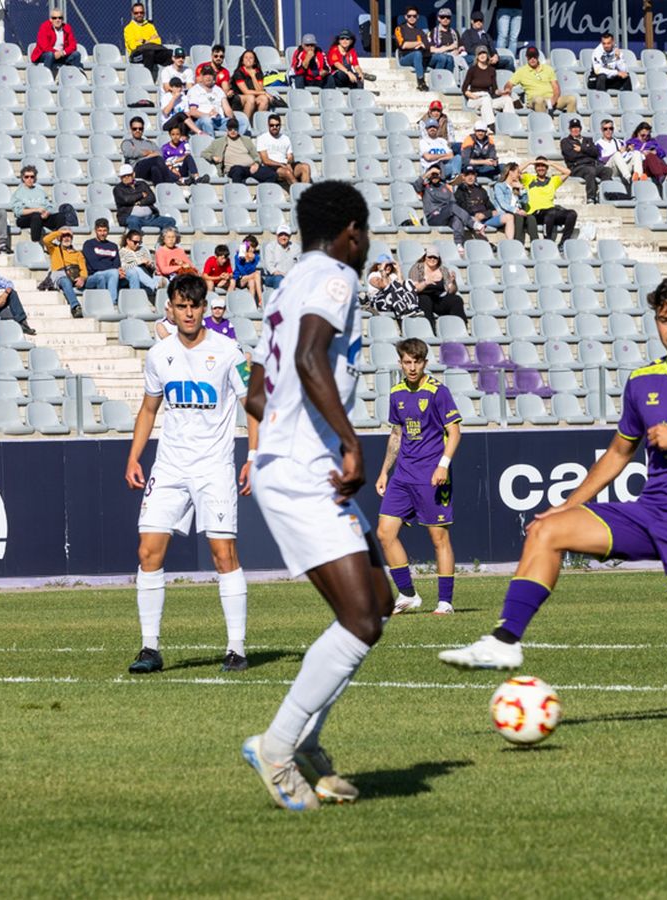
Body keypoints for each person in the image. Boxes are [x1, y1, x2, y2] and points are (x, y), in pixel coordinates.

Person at [439, 273, 667, 736]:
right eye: (665, 319)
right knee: (546, 532)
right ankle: (505, 639)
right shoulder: (642, 382)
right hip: (650, 509)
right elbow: (618, 453)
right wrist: (564, 507)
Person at [239, 180, 388, 811]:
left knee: (376, 601)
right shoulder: (335, 276)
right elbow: (307, 358)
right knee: (360, 617)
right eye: (367, 233)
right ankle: (276, 747)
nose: (367, 245)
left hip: (296, 457)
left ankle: (303, 741)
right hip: (305, 465)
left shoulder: (287, 281)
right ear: (350, 231)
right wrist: (350, 442)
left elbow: (254, 391)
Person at [124, 273, 259, 676]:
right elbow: (149, 409)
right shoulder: (158, 354)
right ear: (171, 307)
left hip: (214, 468)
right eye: (180, 306)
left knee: (223, 555)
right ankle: (150, 647)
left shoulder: (230, 351)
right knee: (148, 552)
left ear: (204, 308)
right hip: (169, 467)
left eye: (194, 306)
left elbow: (252, 403)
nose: (187, 313)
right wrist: (134, 458)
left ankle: (236, 647)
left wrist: (253, 455)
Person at [375, 338, 463, 614]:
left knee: (439, 539)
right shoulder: (396, 393)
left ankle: (445, 602)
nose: (412, 368)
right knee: (384, 532)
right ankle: (407, 594)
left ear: (425, 362)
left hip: (431, 475)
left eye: (417, 362)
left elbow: (455, 432)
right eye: (407, 362)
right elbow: (397, 434)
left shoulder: (438, 392)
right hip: (402, 475)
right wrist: (384, 472)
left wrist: (443, 465)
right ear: (400, 362)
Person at [12, 164, 78, 243]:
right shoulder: (18, 193)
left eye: (32, 177)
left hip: (42, 217)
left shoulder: (40, 191)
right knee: (36, 216)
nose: (29, 179)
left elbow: (49, 206)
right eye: (26, 177)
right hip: (25, 219)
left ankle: (61, 240)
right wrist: (35, 210)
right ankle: (36, 243)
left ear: (35, 178)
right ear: (23, 178)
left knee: (60, 216)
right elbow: (18, 211)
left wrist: (47, 212)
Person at [520, 157, 576, 245]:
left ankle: (563, 243)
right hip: (535, 214)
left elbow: (567, 172)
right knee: (551, 212)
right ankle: (548, 242)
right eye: (538, 166)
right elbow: (515, 172)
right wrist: (530, 162)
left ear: (547, 168)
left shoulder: (553, 181)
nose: (541, 168)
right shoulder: (529, 179)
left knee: (572, 214)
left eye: (543, 166)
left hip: (551, 214)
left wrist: (551, 163)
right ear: (535, 168)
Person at [420, 164, 479, 248]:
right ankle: (473, 224)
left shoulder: (445, 187)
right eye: (433, 174)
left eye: (437, 174)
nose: (435, 176)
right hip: (433, 217)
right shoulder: (425, 187)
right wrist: (428, 173)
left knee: (457, 218)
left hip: (446, 215)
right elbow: (416, 185)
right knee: (452, 207)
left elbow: (453, 202)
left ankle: (458, 243)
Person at [503, 46, 575, 115]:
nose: (532, 59)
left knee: (572, 99)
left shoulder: (548, 69)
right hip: (534, 100)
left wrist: (553, 100)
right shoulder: (521, 71)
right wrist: (508, 90)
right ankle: (544, 124)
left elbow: (556, 87)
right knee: (539, 100)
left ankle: (571, 125)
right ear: (527, 57)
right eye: (530, 57)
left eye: (534, 56)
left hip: (550, 99)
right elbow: (509, 84)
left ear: (538, 57)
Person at [407, 249, 467, 329]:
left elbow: (451, 291)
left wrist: (453, 282)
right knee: (425, 300)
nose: (432, 259)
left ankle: (460, 327)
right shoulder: (417, 268)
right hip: (421, 297)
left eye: (435, 257)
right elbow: (414, 289)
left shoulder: (443, 270)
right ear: (425, 257)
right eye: (430, 257)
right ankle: (430, 329)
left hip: (438, 299)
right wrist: (425, 282)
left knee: (456, 299)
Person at [204, 119, 275, 184]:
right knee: (237, 170)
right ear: (226, 130)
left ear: (238, 129)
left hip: (251, 168)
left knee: (272, 174)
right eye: (230, 129)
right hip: (234, 169)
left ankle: (259, 195)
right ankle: (238, 195)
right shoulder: (218, 142)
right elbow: (204, 153)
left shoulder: (246, 140)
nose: (233, 131)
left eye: (235, 129)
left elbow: (256, 155)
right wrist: (212, 157)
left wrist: (256, 163)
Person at [114, 164, 177, 233]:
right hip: (130, 217)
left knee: (170, 221)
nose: (126, 177)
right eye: (123, 176)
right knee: (133, 221)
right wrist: (141, 194)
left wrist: (140, 202)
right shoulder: (118, 189)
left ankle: (164, 241)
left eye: (128, 175)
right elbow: (126, 199)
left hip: (150, 217)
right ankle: (136, 242)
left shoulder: (142, 184)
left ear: (133, 174)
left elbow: (152, 198)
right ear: (120, 178)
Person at [42, 226, 88, 317]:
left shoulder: (78, 253)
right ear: (60, 238)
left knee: (97, 279)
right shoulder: (54, 249)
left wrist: (82, 278)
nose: (66, 238)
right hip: (60, 276)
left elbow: (83, 269)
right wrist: (60, 232)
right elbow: (46, 240)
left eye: (69, 236)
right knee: (65, 281)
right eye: (64, 236)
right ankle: (75, 306)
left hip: (74, 276)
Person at [463, 46, 515, 124]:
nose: (482, 55)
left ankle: (509, 124)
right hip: (475, 98)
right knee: (485, 100)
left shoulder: (492, 70)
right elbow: (464, 88)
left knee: (507, 99)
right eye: (480, 54)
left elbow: (495, 90)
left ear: (487, 55)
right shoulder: (472, 70)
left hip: (488, 97)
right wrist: (472, 96)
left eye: (484, 53)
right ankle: (490, 125)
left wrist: (503, 92)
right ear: (477, 56)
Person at [559, 118, 605, 204]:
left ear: (580, 128)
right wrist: (588, 152)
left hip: (592, 165)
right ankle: (591, 197)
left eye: (577, 127)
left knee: (607, 170)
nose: (575, 129)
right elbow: (571, 156)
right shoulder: (565, 142)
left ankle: (605, 193)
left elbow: (596, 152)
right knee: (590, 171)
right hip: (576, 167)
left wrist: (582, 149)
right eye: (573, 127)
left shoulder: (588, 140)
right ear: (570, 129)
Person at [258, 114, 311, 187]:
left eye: (277, 125)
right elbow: (265, 160)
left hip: (285, 164)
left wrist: (289, 163)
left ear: (280, 125)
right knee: (287, 172)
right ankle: (301, 194)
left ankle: (307, 192)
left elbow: (290, 156)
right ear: (268, 125)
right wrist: (281, 165)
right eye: (272, 125)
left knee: (305, 167)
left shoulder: (285, 138)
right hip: (271, 167)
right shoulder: (262, 138)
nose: (274, 127)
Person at [30, 8, 83, 75]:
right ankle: (46, 76)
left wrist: (62, 53)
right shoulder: (44, 27)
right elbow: (44, 46)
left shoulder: (67, 28)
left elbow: (73, 46)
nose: (57, 20)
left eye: (60, 18)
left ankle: (74, 76)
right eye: (54, 18)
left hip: (61, 55)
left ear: (62, 19)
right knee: (50, 55)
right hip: (45, 55)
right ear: (51, 19)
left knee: (76, 54)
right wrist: (55, 53)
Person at [493, 161, 536, 243]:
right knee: (519, 217)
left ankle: (536, 244)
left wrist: (522, 189)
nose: (519, 175)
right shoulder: (499, 186)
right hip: (505, 213)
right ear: (510, 172)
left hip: (517, 212)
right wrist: (517, 211)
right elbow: (503, 204)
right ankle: (518, 245)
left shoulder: (517, 186)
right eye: (518, 172)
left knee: (531, 218)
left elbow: (525, 201)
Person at [453, 169, 503, 238]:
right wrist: (476, 214)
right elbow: (463, 208)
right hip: (471, 218)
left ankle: (512, 244)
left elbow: (491, 207)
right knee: (476, 219)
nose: (470, 177)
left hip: (485, 217)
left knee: (509, 217)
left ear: (475, 176)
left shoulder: (481, 190)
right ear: (463, 177)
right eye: (467, 175)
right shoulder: (460, 191)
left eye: (472, 175)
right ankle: (485, 243)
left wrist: (486, 214)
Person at [124, 2, 172, 72]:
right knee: (149, 53)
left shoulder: (150, 26)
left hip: (152, 52)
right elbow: (133, 46)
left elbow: (158, 41)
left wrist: (142, 41)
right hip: (135, 55)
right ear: (132, 13)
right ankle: (148, 78)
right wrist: (149, 41)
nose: (139, 14)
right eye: (136, 13)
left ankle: (170, 79)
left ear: (144, 13)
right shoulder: (128, 28)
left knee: (170, 53)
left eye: (141, 12)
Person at [185, 68, 233, 136]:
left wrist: (233, 120)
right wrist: (209, 115)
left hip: (219, 120)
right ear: (201, 77)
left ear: (214, 77)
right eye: (205, 74)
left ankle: (236, 144)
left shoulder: (218, 90)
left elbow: (227, 109)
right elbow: (193, 112)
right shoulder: (194, 90)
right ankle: (211, 144)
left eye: (210, 74)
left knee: (242, 122)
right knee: (206, 120)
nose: (208, 76)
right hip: (201, 120)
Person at [596, 118, 640, 189]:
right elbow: (601, 161)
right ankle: (628, 178)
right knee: (616, 155)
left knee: (637, 153)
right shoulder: (598, 144)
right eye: (605, 129)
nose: (608, 131)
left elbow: (627, 154)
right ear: (601, 130)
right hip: (610, 169)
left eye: (611, 128)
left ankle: (639, 177)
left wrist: (629, 150)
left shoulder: (620, 142)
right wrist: (617, 152)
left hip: (623, 167)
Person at [82, 218, 123, 295]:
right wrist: (114, 270)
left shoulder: (113, 246)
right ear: (95, 231)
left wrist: (119, 271)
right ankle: (112, 302)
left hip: (112, 274)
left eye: (104, 230)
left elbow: (117, 264)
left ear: (108, 231)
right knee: (114, 272)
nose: (102, 233)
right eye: (100, 231)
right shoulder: (89, 244)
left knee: (132, 273)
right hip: (95, 274)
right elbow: (94, 264)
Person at [394, 10, 432, 91]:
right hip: (405, 57)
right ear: (405, 17)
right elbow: (403, 45)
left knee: (441, 58)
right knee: (417, 54)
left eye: (414, 16)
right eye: (409, 16)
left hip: (421, 56)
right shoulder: (400, 29)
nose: (412, 18)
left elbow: (427, 45)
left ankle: (438, 81)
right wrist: (419, 43)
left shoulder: (420, 31)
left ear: (417, 17)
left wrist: (417, 44)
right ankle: (421, 82)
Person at [232, 50, 275, 119]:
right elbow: (245, 92)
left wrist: (253, 76)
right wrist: (264, 92)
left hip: (252, 97)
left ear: (254, 62)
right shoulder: (238, 72)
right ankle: (245, 124)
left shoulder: (258, 72)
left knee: (264, 99)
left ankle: (258, 123)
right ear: (242, 61)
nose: (248, 59)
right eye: (246, 57)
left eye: (251, 57)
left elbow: (259, 90)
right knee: (250, 97)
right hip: (238, 99)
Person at [119, 228, 162, 297]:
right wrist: (139, 262)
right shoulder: (122, 252)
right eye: (135, 242)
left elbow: (152, 266)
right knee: (136, 269)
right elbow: (124, 267)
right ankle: (155, 286)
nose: (137, 244)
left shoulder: (142, 249)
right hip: (131, 276)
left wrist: (149, 264)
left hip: (146, 274)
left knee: (163, 279)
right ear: (128, 241)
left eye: (139, 242)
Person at [233, 235, 263, 306]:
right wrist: (247, 261)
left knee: (252, 282)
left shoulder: (256, 257)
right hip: (240, 279)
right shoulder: (238, 256)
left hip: (250, 278)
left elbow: (252, 270)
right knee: (257, 274)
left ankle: (251, 305)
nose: (252, 249)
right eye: (250, 247)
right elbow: (242, 271)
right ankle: (261, 299)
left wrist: (252, 260)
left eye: (254, 247)